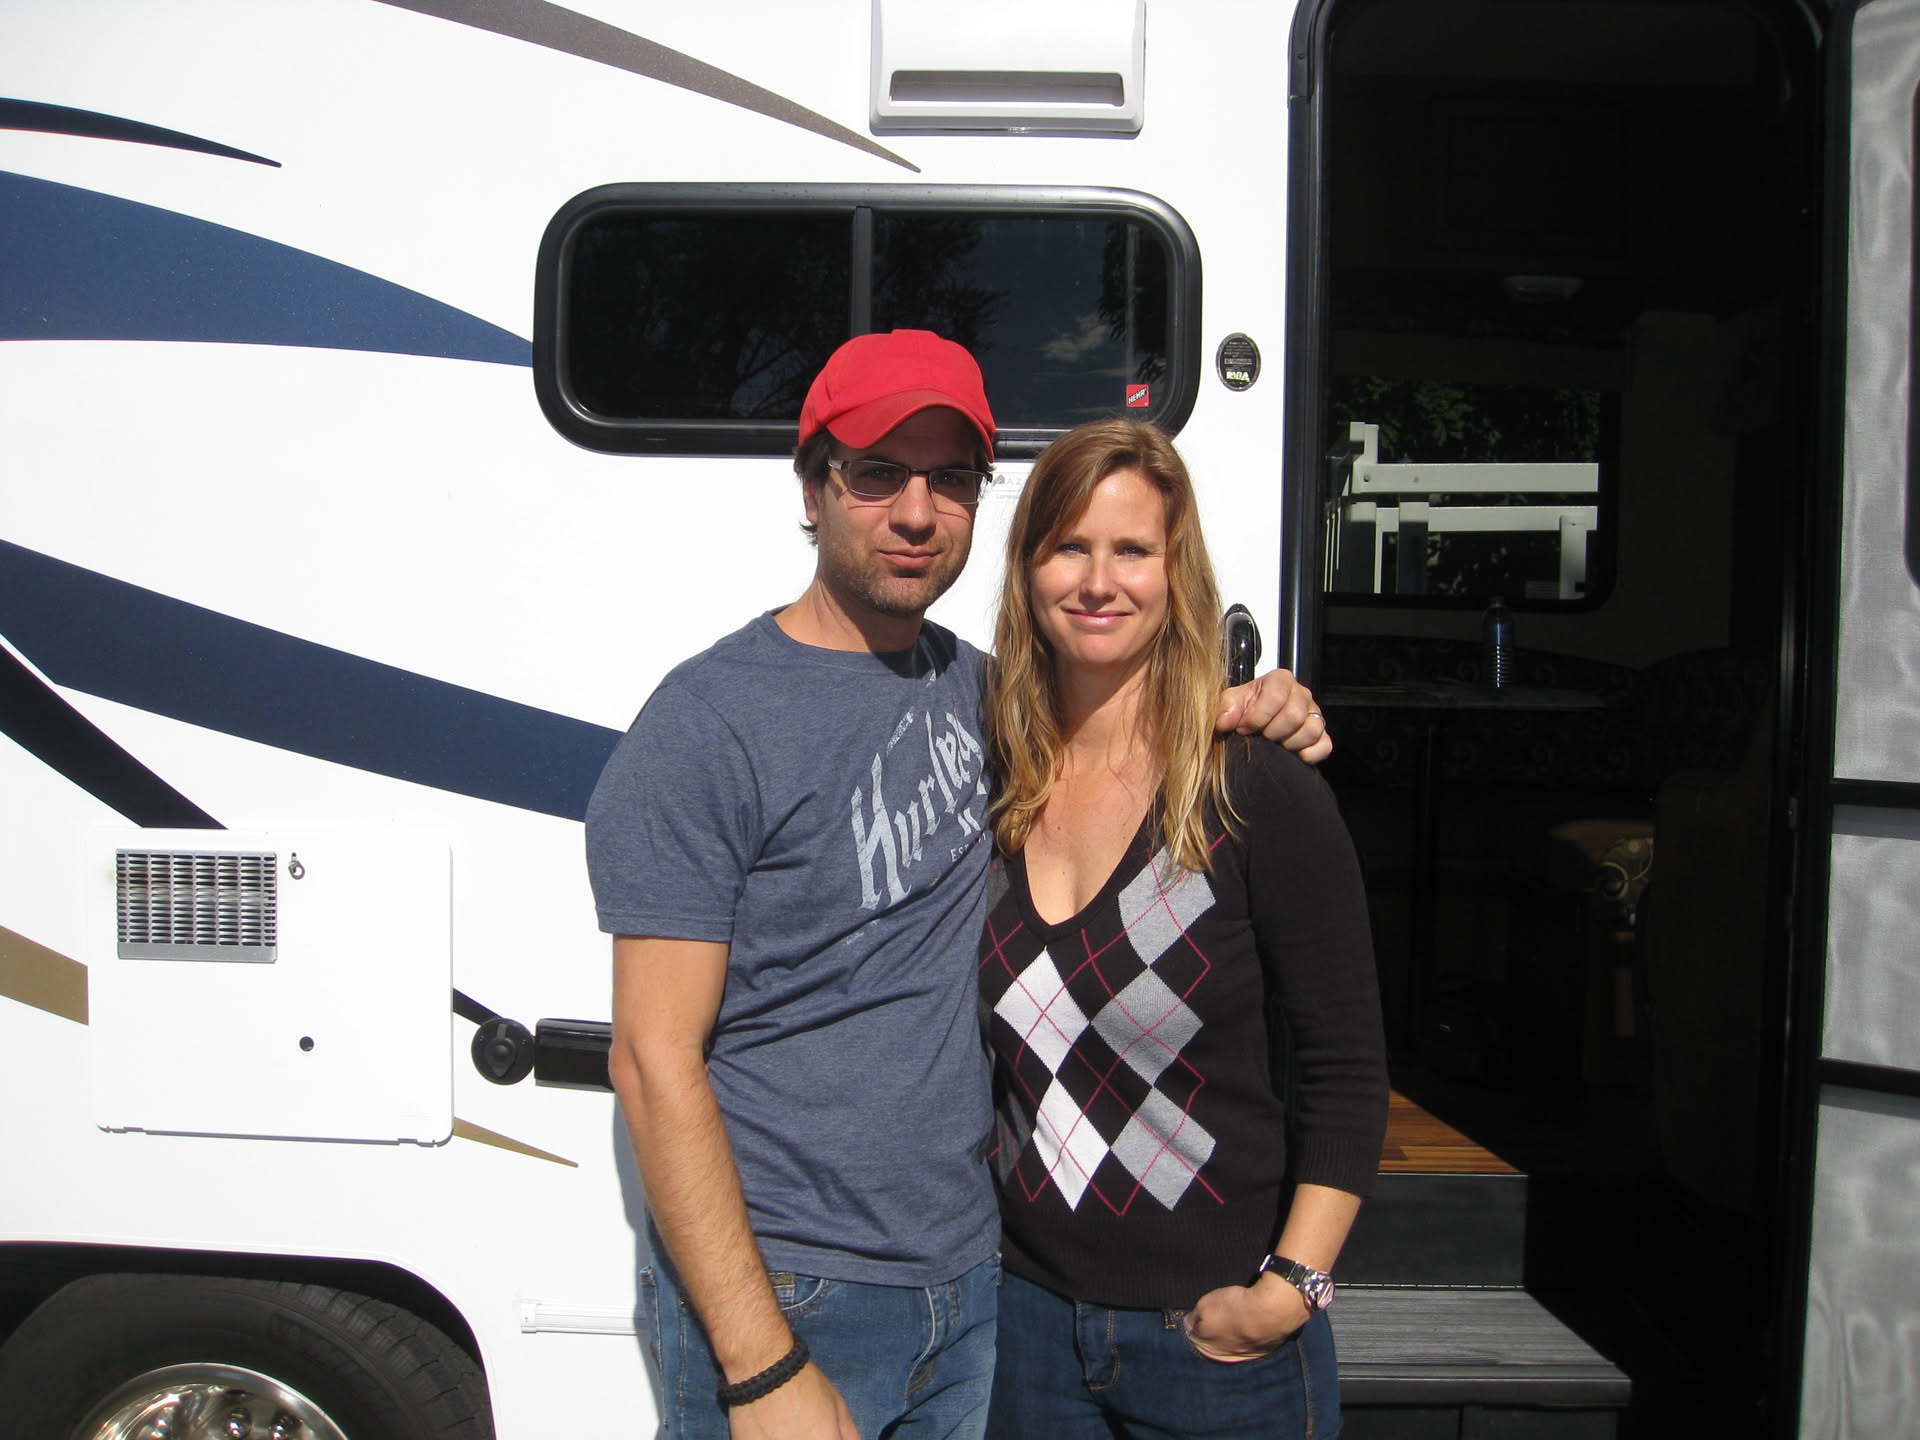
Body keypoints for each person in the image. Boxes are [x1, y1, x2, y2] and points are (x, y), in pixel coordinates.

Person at [584, 331, 1329, 1440]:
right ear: (812, 488)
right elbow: (653, 1061)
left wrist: (1264, 706)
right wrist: (760, 1364)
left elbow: (1132, 728)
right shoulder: (707, 726)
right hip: (792, 1289)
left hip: (980, 1288)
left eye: (951, 479)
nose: (917, 512)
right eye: (878, 473)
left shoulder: (997, 705)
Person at [978, 418, 1388, 1439]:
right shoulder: (991, 781)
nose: (1097, 581)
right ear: (1028, 570)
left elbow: (1346, 1066)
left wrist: (1290, 1290)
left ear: (1176, 574)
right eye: (1068, 547)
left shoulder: (1253, 788)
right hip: (1024, 1328)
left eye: (1133, 550)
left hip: (1216, 1346)